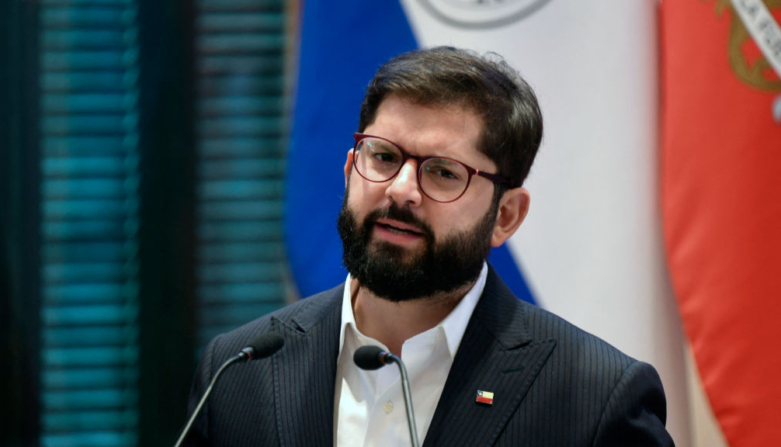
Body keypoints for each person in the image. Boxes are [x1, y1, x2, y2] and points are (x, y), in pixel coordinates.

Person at [182, 46, 674, 446]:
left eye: (442, 172)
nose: (401, 190)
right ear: (351, 165)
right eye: (384, 156)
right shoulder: (237, 373)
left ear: (505, 216)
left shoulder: (595, 399)